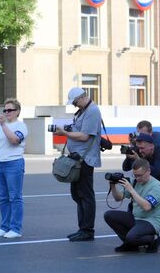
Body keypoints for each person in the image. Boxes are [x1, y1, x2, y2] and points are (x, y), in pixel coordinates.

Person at [54, 87, 102, 242]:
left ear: (82, 97)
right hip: (78, 158)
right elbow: (79, 131)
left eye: (75, 102)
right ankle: (82, 229)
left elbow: (84, 136)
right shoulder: (83, 111)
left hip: (85, 160)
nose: (74, 105)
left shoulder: (92, 111)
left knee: (85, 195)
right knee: (77, 194)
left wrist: (65, 133)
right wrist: (68, 130)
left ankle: (87, 231)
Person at [0, 98, 28, 238]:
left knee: (15, 197)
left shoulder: (21, 126)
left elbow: (14, 140)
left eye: (10, 110)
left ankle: (15, 228)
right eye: (5, 110)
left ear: (17, 112)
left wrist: (3, 125)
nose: (7, 112)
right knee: (3, 197)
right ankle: (4, 226)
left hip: (13, 163)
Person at [104, 159, 160, 253]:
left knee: (132, 237)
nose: (137, 178)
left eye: (140, 175)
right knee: (108, 215)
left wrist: (132, 190)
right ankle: (129, 244)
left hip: (150, 221)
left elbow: (147, 207)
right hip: (136, 217)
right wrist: (113, 186)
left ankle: (154, 238)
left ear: (148, 171)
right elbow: (118, 198)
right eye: (135, 175)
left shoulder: (156, 186)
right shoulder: (135, 181)